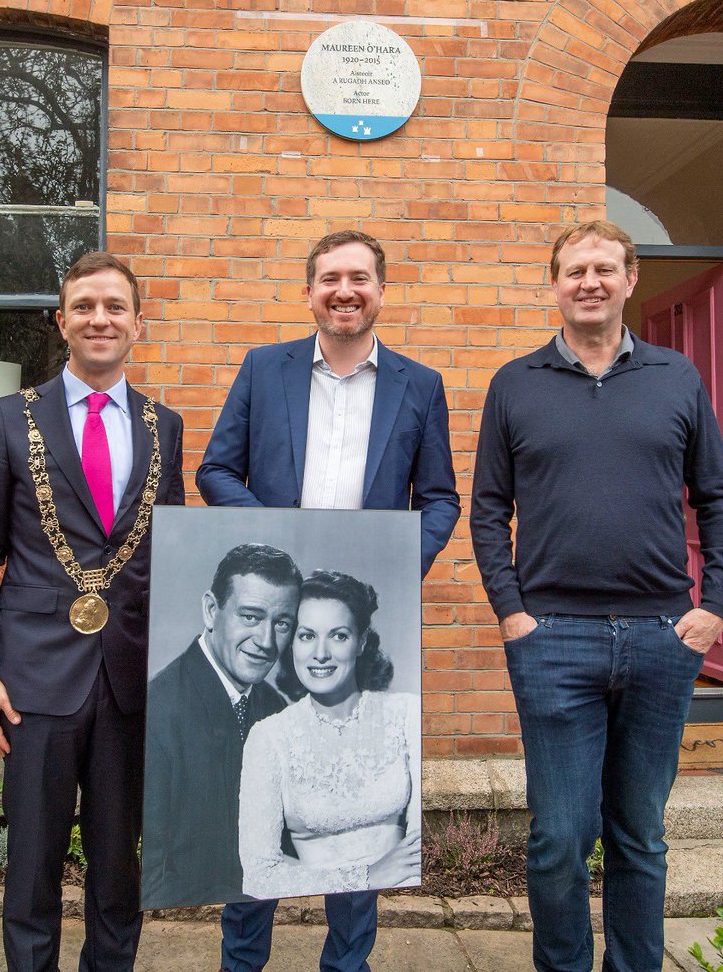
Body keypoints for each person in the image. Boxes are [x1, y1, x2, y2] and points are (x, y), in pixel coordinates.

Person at [470, 220, 723, 972]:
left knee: (640, 835)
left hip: (663, 635)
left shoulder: (675, 378)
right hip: (552, 639)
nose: (588, 282)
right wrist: (512, 612)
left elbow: (719, 498)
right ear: (555, 285)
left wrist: (715, 607)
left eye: (603, 269)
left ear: (630, 280)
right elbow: (488, 509)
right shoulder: (515, 383)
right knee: (559, 837)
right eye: (574, 270)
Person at [196, 229, 460, 972]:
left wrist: (400, 563)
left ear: (382, 290)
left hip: (348, 623)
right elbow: (217, 471)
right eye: (331, 278)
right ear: (309, 290)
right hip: (281, 625)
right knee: (263, 794)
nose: (345, 291)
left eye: (360, 278)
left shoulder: (420, 384)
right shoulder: (263, 368)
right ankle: (242, 962)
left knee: (358, 797)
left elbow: (440, 497)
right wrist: (273, 539)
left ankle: (348, 963)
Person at [0, 251, 185, 972]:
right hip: (33, 678)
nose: (99, 319)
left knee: (119, 870)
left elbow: (168, 555)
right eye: (84, 306)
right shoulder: (5, 420)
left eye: (115, 307)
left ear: (139, 324)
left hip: (130, 680)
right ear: (61, 322)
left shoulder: (165, 425)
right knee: (32, 869)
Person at [239, 571, 421, 900]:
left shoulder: (406, 714)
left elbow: (419, 849)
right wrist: (365, 876)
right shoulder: (269, 737)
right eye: (307, 636)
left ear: (361, 641)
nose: (320, 653)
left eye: (338, 636)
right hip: (319, 905)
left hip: (397, 899)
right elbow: (258, 876)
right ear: (291, 643)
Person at [142, 542, 303, 909]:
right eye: (250, 617)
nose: (266, 642)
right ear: (211, 611)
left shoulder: (274, 706)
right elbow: (152, 871)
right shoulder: (159, 709)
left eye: (282, 624)